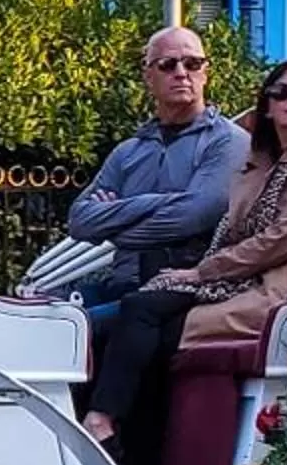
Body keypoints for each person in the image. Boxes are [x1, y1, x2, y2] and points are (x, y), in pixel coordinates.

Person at [79, 58, 287, 465]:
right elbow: (226, 225)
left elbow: (279, 241)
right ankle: (122, 458)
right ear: (266, 106)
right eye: (281, 92)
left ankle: (106, 432)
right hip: (235, 276)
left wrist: (199, 273)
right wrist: (201, 269)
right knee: (106, 326)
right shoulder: (264, 163)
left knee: (146, 317)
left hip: (285, 287)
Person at [64, 27, 249, 332]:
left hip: (180, 294)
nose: (181, 73)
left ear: (206, 72)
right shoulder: (129, 151)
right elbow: (79, 220)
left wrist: (117, 225)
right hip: (121, 283)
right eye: (167, 65)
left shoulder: (228, 142)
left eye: (192, 64)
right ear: (149, 76)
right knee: (41, 316)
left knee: (76, 332)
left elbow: (192, 215)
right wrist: (162, 202)